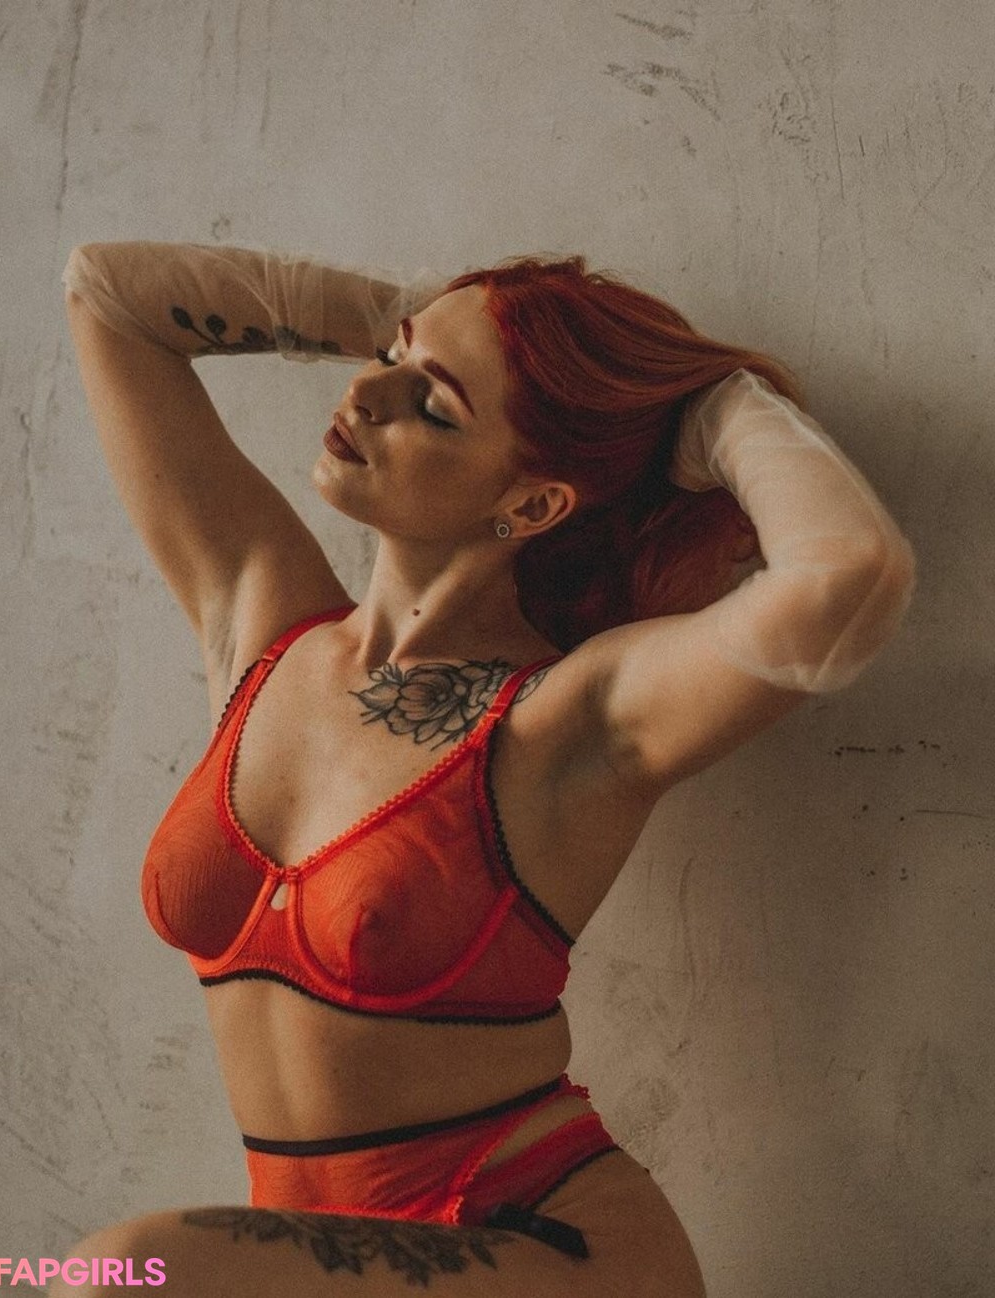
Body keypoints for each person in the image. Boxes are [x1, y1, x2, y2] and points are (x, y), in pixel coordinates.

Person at [55, 242, 914, 1297]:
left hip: (549, 1249)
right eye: (389, 359)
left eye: (432, 404)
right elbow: (108, 295)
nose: (365, 394)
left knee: (117, 1275)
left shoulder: (568, 720)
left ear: (536, 504)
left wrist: (714, 407)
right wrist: (428, 316)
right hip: (336, 1255)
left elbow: (850, 578)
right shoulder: (261, 621)